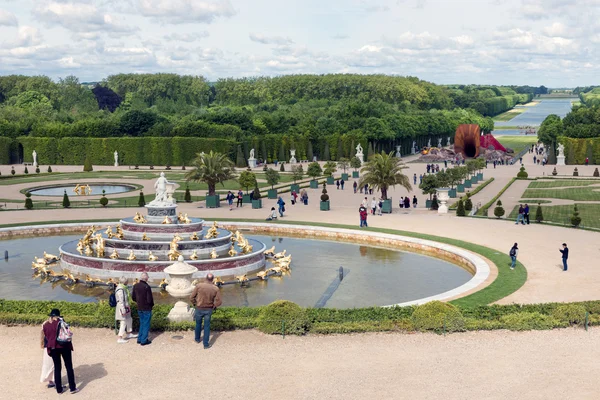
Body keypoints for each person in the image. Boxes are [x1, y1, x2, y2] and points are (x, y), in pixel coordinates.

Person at [43, 308, 78, 394]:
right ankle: (72, 388)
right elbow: (68, 332)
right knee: (69, 366)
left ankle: (59, 389)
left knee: (57, 368)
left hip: (53, 347)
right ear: (58, 315)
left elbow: (46, 337)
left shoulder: (46, 325)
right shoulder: (62, 322)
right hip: (64, 345)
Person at [190, 273, 222, 349]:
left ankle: (197, 339)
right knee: (207, 326)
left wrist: (195, 304)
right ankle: (206, 344)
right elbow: (219, 301)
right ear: (213, 279)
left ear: (206, 278)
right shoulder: (215, 288)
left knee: (198, 324)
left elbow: (191, 297)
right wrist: (214, 306)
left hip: (199, 308)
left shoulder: (199, 286)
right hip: (208, 309)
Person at [132, 272, 154, 346]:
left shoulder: (135, 286)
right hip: (146, 308)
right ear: (146, 278)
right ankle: (144, 340)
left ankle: (139, 339)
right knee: (146, 324)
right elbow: (149, 299)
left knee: (142, 323)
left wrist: (138, 302)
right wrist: (151, 305)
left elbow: (133, 297)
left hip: (139, 307)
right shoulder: (147, 287)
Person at [115, 277, 137, 344]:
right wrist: (123, 310)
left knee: (129, 319)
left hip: (126, 307)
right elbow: (121, 301)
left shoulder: (124, 288)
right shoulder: (120, 289)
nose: (128, 282)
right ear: (125, 282)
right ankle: (120, 337)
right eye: (127, 281)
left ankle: (129, 333)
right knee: (123, 322)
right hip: (122, 308)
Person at [40, 317, 55, 389]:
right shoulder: (55, 324)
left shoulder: (44, 324)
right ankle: (52, 380)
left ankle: (50, 380)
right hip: (53, 347)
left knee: (48, 364)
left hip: (47, 347)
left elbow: (42, 335)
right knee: (53, 364)